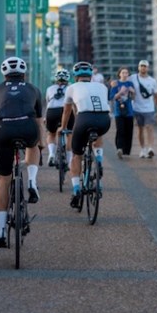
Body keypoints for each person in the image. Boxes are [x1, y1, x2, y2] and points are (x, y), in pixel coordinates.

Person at [0, 56, 45, 247]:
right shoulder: (33, 89)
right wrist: (41, 141)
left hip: (4, 130)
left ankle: (2, 230)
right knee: (33, 145)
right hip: (27, 128)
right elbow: (38, 121)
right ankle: (31, 181)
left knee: (3, 179)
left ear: (4, 74)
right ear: (24, 73)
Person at [59, 61, 111, 209]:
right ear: (91, 75)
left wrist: (63, 128)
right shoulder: (102, 86)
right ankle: (99, 159)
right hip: (104, 120)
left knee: (76, 156)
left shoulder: (71, 88)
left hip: (84, 119)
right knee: (98, 132)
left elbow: (67, 112)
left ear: (76, 76)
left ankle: (76, 190)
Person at [43, 69, 72, 167]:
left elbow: (48, 103)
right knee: (70, 134)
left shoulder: (50, 88)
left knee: (51, 134)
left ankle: (51, 154)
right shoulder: (71, 88)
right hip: (67, 111)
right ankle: (69, 160)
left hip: (52, 111)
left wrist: (45, 118)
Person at [131, 60, 157, 159]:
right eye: (141, 66)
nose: (143, 68)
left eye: (145, 66)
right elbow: (124, 83)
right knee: (140, 129)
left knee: (149, 128)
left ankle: (150, 148)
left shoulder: (152, 81)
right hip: (137, 108)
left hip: (149, 108)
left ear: (148, 68)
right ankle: (143, 149)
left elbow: (156, 96)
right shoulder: (133, 78)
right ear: (138, 67)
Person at [109, 67, 136, 159]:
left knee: (129, 131)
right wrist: (121, 92)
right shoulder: (116, 84)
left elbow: (133, 98)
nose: (125, 74)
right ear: (119, 74)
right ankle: (119, 148)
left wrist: (133, 92)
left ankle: (126, 151)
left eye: (126, 73)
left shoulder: (130, 83)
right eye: (123, 72)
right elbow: (112, 97)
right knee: (120, 130)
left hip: (129, 111)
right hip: (118, 111)